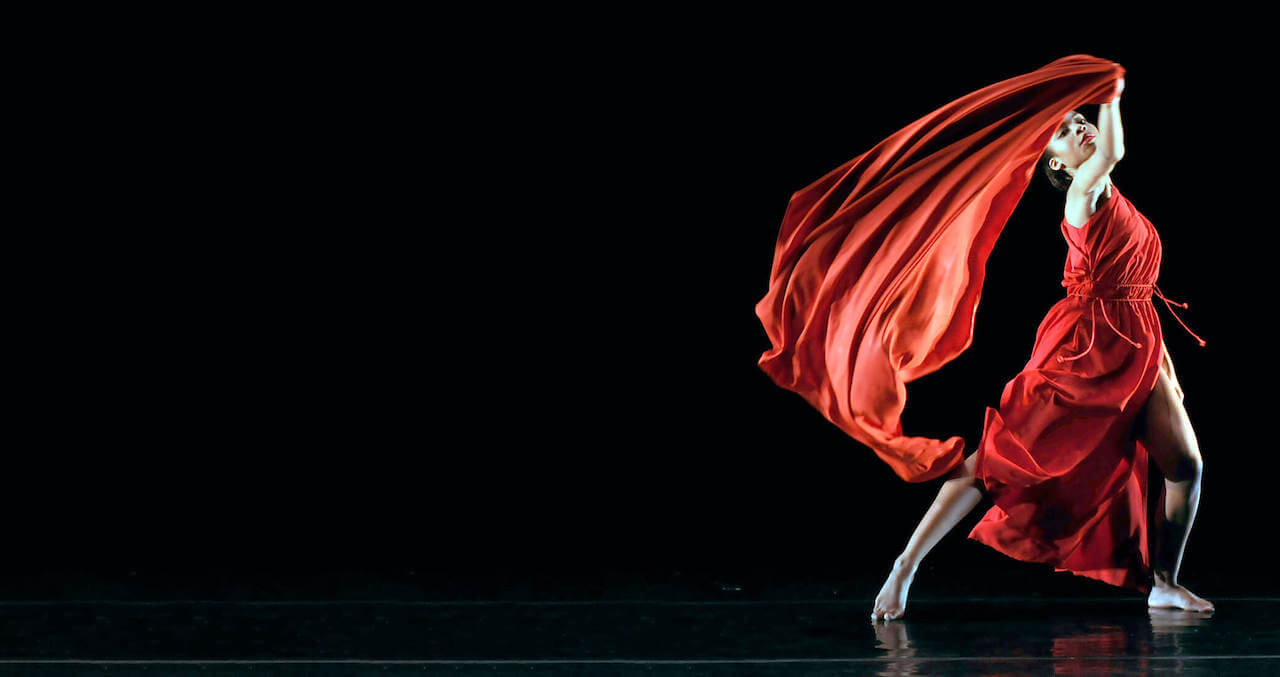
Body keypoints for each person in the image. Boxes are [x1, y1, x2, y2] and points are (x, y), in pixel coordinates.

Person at [870, 78, 1215, 621]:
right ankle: (905, 565)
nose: (1078, 128)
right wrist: (1112, 94)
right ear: (1055, 164)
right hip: (1084, 349)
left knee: (1186, 467)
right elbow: (1114, 150)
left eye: (1082, 120)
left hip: (1137, 344)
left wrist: (1165, 368)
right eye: (1063, 130)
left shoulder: (1117, 200)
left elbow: (1139, 294)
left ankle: (1165, 583)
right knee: (998, 461)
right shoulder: (1083, 192)